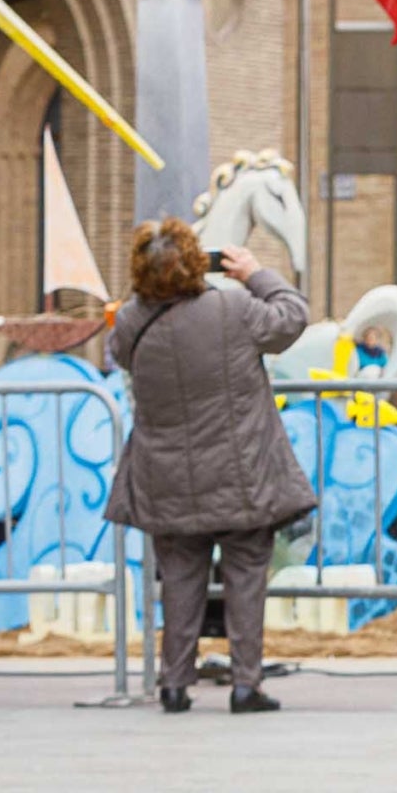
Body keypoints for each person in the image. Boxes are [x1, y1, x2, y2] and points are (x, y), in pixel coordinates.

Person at [107, 220, 315, 714]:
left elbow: (118, 354)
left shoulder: (131, 322)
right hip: (239, 475)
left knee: (178, 579)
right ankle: (246, 684)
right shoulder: (234, 308)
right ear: (200, 262)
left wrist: (145, 291)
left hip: (167, 478)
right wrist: (256, 273)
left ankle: (174, 684)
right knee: (246, 577)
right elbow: (292, 317)